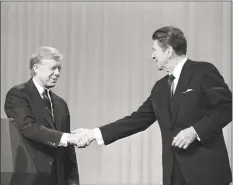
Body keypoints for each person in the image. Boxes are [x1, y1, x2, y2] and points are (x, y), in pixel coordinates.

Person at [74, 26, 232, 185]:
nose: (152, 55)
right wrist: (94, 134)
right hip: (173, 176)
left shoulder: (203, 71)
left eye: (155, 50)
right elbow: (136, 120)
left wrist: (195, 131)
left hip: (208, 174)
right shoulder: (160, 88)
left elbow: (228, 107)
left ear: (168, 51)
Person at [4, 46, 83, 185]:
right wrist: (67, 137)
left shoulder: (60, 104)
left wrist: (73, 182)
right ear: (36, 68)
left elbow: (68, 151)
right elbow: (28, 127)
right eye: (53, 68)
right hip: (30, 180)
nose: (57, 73)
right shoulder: (18, 95)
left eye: (59, 69)